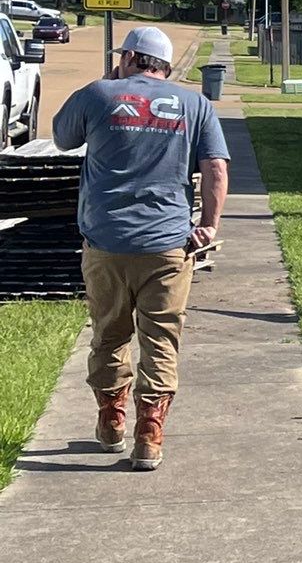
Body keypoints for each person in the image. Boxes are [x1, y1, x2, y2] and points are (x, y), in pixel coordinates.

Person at [53, 23, 230, 472]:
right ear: (167, 67)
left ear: (129, 58)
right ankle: (150, 433)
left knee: (109, 333)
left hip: (106, 242)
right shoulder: (195, 104)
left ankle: (111, 421)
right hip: (168, 246)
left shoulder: (99, 94)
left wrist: (111, 86)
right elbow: (215, 168)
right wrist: (208, 225)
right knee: (162, 338)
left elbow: (62, 137)